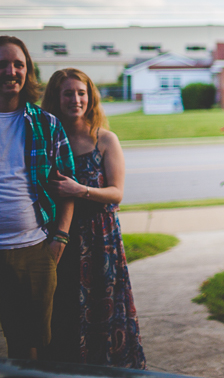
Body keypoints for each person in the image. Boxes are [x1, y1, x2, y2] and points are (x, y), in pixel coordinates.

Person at [42, 68, 147, 369]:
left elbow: (116, 193)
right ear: (56, 97)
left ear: (90, 97)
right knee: (64, 308)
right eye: (68, 93)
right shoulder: (48, 138)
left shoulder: (104, 139)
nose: (75, 100)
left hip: (101, 238)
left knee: (104, 308)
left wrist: (80, 190)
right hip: (61, 236)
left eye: (81, 93)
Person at [0, 36, 75, 360]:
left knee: (32, 346)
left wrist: (60, 237)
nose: (10, 71)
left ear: (27, 70)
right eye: (2, 64)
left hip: (34, 251)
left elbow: (67, 187)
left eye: (18, 64)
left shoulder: (46, 124)